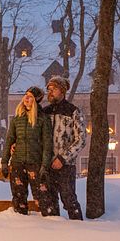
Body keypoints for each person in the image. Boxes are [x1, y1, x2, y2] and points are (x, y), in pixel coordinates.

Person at [1, 87, 54, 216]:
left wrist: (45, 165)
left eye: (30, 96)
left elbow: (48, 144)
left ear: (36, 100)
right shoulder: (17, 118)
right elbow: (9, 139)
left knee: (42, 197)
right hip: (18, 162)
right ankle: (20, 225)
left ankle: (51, 225)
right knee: (19, 197)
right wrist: (4, 161)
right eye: (25, 95)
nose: (26, 98)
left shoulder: (43, 119)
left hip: (35, 163)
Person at [42, 76, 86, 220]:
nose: (50, 92)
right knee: (49, 202)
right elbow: (35, 136)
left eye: (53, 89)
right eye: (49, 89)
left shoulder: (73, 111)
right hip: (46, 164)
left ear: (62, 90)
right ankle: (54, 235)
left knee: (69, 200)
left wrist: (62, 158)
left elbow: (81, 139)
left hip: (65, 165)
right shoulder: (44, 112)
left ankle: (79, 229)